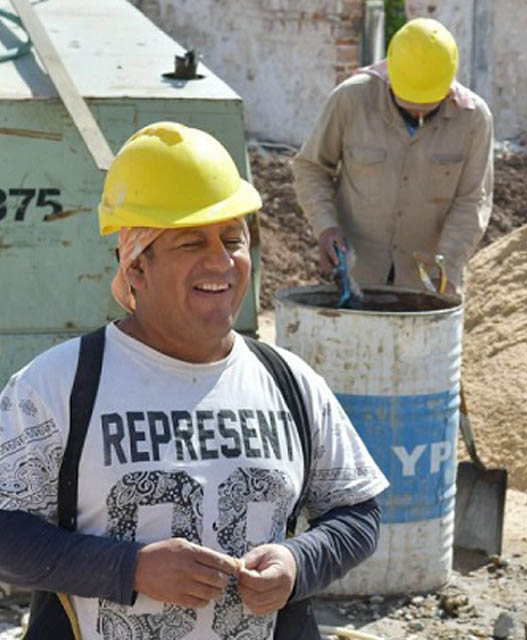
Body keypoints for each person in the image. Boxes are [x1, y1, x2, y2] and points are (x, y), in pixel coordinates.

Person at [0, 121, 389, 640]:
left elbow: (358, 513)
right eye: (191, 243)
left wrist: (298, 563)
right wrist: (129, 569)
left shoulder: (289, 382)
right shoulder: (57, 387)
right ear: (136, 267)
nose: (221, 262)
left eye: (233, 240)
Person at [292, 17, 494, 296]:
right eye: (409, 106)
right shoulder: (350, 101)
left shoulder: (473, 120)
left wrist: (447, 269)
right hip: (355, 278)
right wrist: (325, 226)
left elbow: (472, 200)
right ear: (391, 77)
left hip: (427, 284)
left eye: (428, 107)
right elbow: (311, 168)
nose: (418, 114)